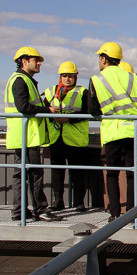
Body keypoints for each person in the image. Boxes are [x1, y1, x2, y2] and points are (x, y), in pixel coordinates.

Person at [88, 42, 137, 223]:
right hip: (134, 130)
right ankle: (131, 214)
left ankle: (115, 214)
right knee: (132, 172)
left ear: (103, 58)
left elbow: (92, 109)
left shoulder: (97, 79)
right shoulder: (133, 78)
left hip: (113, 131)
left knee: (113, 173)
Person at [4, 47, 60, 221]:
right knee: (33, 174)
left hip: (24, 136)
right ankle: (38, 210)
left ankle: (21, 211)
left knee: (22, 174)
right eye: (36, 60)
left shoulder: (23, 80)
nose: (39, 63)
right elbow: (24, 107)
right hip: (26, 136)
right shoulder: (20, 80)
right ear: (24, 61)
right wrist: (48, 110)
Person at [43, 61, 90, 212]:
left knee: (77, 171)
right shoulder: (50, 92)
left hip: (75, 138)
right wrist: (52, 115)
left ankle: (78, 203)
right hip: (56, 137)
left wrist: (68, 119)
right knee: (57, 170)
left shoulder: (83, 92)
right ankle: (58, 201)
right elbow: (42, 111)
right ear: (60, 77)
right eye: (64, 76)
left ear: (76, 77)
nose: (67, 79)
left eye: (70, 76)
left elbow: (87, 113)